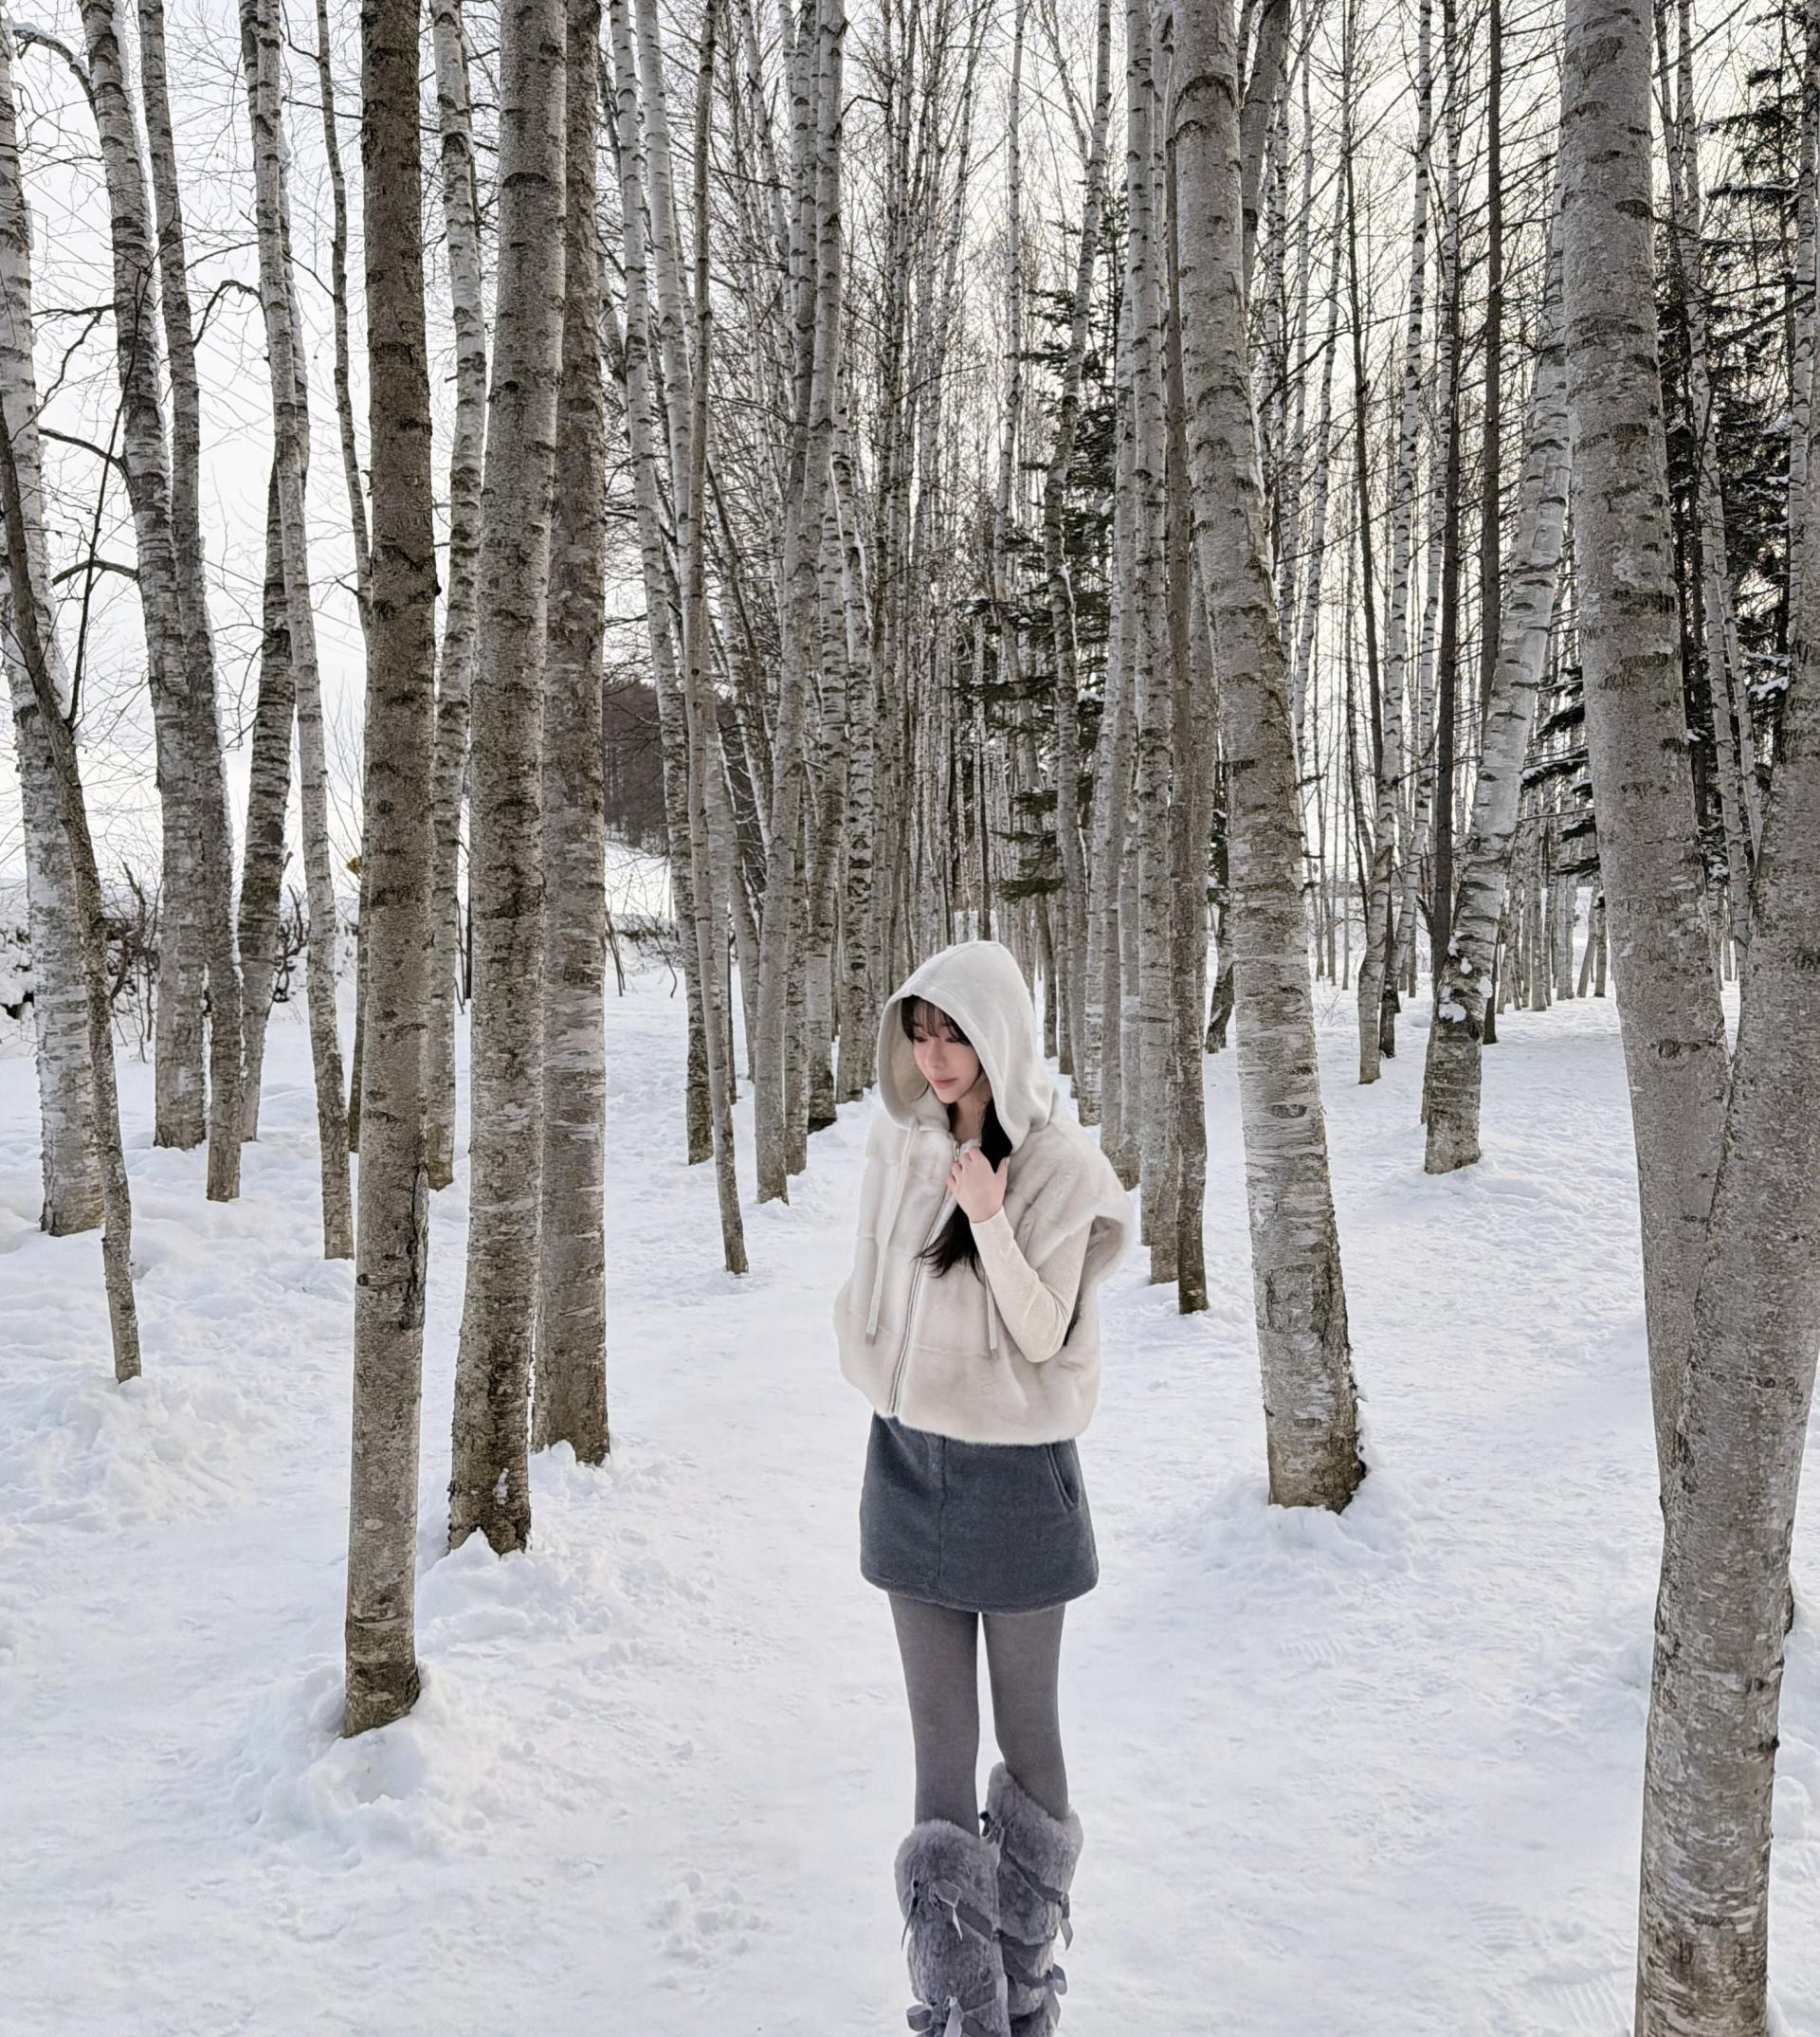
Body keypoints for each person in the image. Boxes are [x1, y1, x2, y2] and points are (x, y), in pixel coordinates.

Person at [832, 938, 1134, 2037]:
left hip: (1015, 1482)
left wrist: (990, 1213)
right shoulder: (900, 1142)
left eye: (953, 1032)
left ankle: (1028, 1989)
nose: (934, 1054)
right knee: (938, 1756)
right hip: (908, 1468)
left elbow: (1046, 1332)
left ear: (998, 1032)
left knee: (1030, 1735)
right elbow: (875, 1289)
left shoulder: (1062, 1167)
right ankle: (965, 2013)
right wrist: (862, 1344)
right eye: (920, 1032)